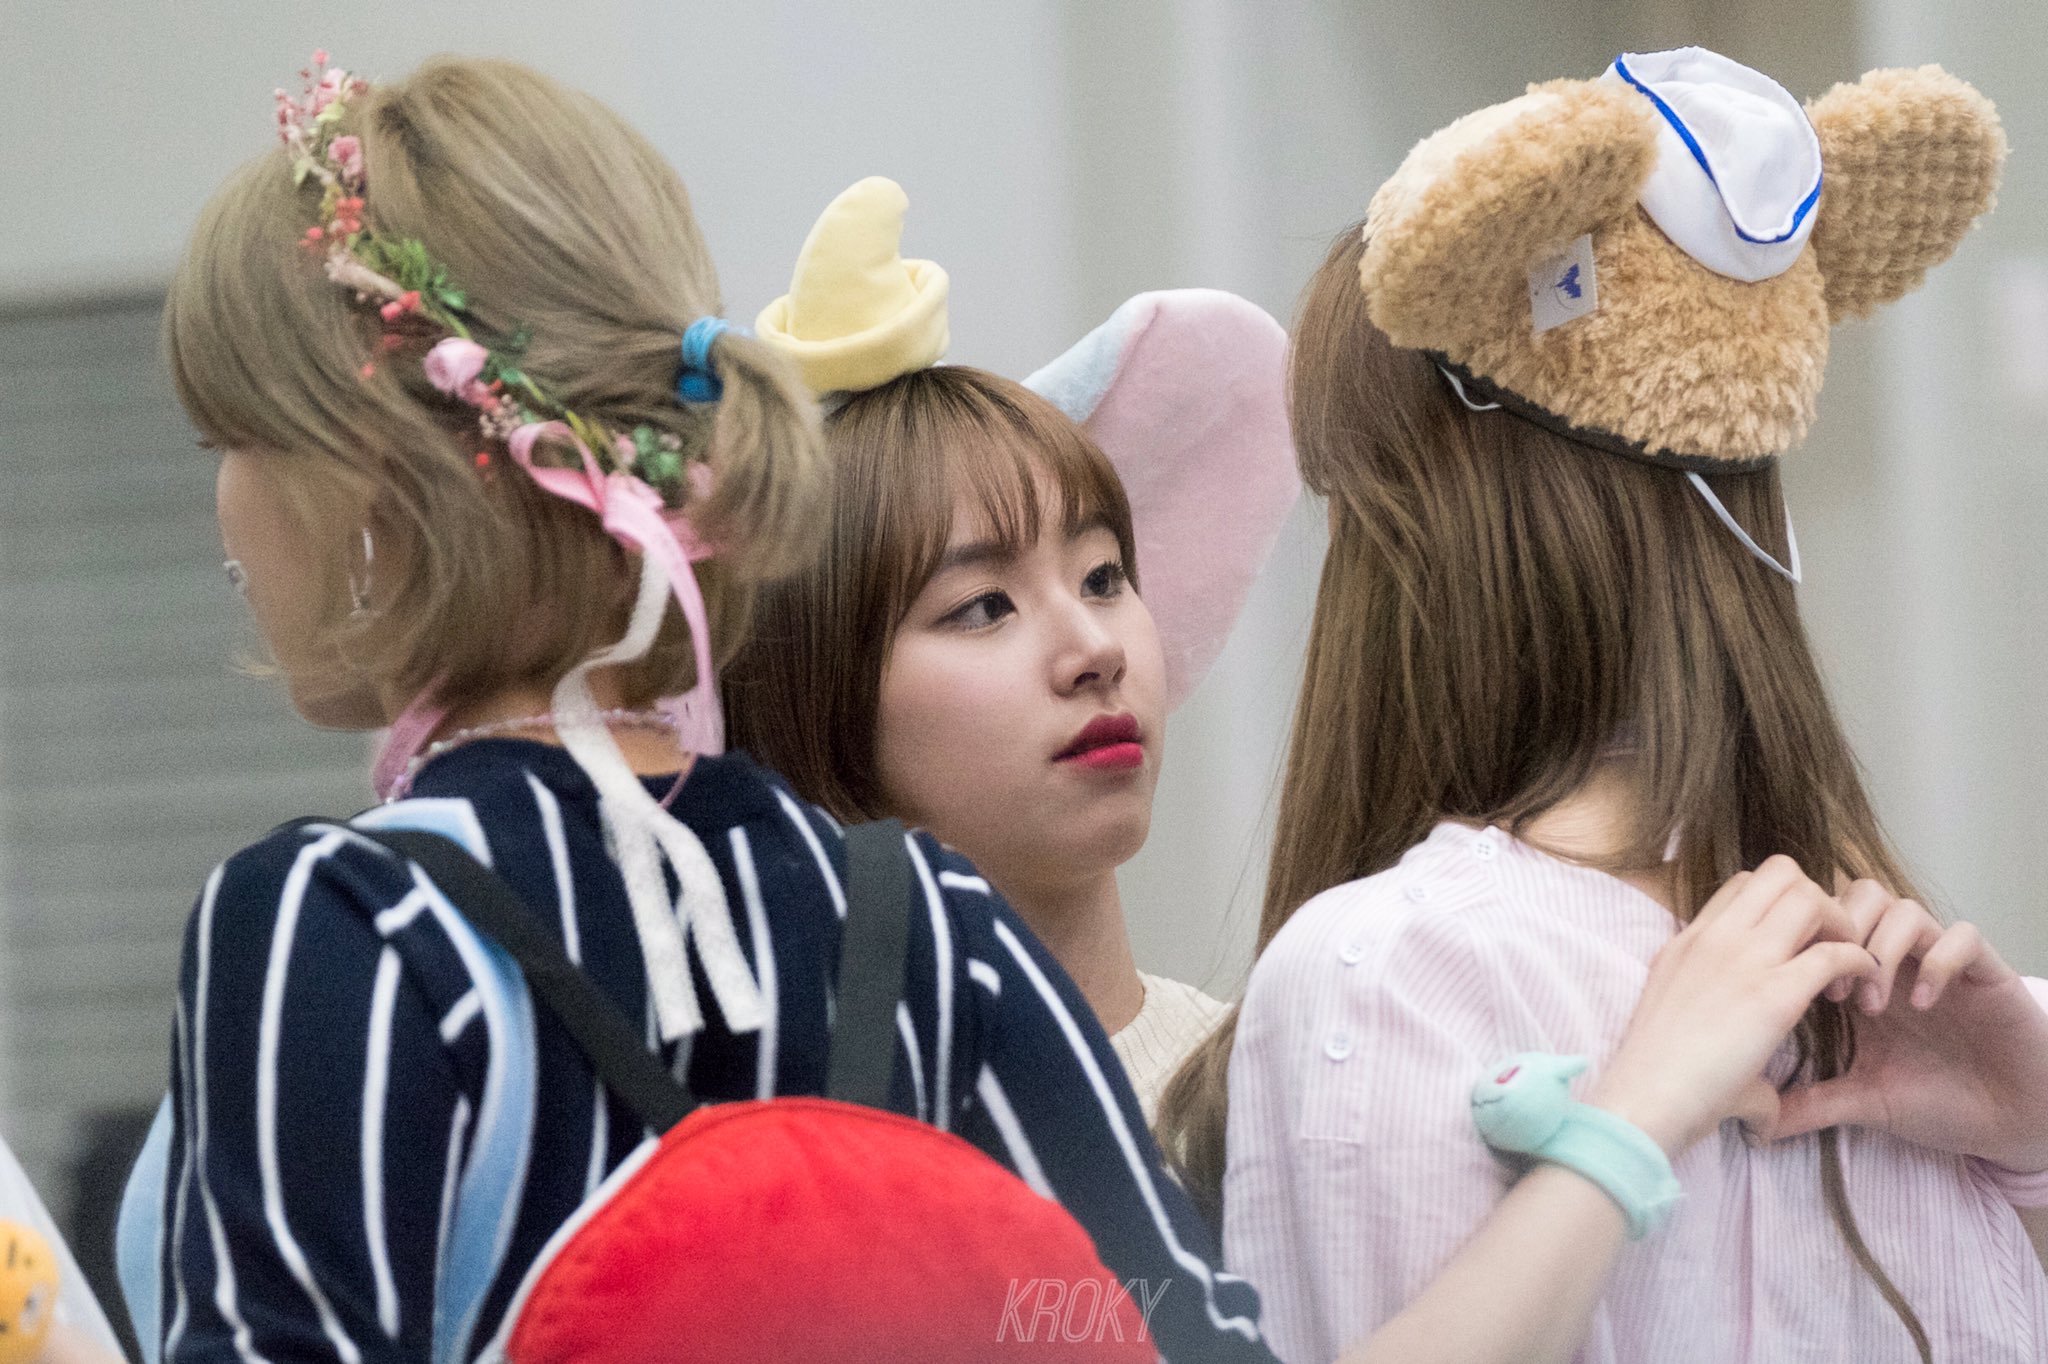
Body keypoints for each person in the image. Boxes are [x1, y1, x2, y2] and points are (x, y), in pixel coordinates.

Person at [118, 53, 1282, 1364]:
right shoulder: (923, 919)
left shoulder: (347, 921)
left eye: (233, 442)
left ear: (366, 486)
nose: (223, 508)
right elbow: (1191, 1339)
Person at [1193, 47, 2048, 1364]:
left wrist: (2032, 1146)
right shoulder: (1399, 969)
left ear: (1410, 521)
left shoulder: (1940, 1032)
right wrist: (1631, 1122)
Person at [724, 177, 1299, 1119]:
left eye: (1104, 577)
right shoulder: (802, 1154)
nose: (1094, 650)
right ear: (817, 693)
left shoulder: (1282, 1094)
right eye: (985, 606)